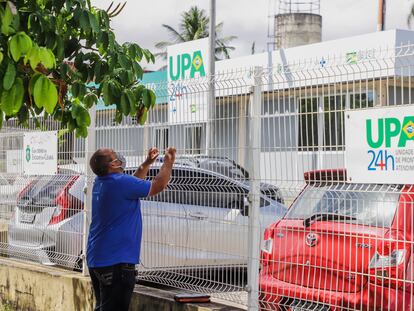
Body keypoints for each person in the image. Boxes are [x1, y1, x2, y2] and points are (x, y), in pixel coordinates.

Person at [86, 147, 176, 311]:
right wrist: (168, 162)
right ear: (112, 165)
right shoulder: (119, 182)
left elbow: (133, 184)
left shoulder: (103, 182)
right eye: (114, 156)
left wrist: (146, 164)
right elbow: (158, 185)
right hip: (115, 263)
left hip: (98, 259)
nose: (119, 155)